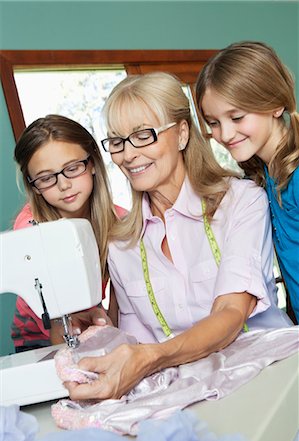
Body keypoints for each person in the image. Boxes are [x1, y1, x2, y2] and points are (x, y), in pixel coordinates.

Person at [65, 72, 292, 402]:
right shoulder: (120, 245)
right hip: (191, 392)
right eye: (117, 142)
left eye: (143, 135)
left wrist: (153, 357)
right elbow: (135, 340)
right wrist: (97, 340)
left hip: (273, 377)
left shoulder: (241, 201)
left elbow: (231, 312)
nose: (128, 155)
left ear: (182, 134)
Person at [195, 41, 299, 324]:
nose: (225, 134)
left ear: (276, 104)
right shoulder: (263, 176)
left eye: (237, 117)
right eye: (213, 122)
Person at [12, 114, 126, 352]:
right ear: (33, 185)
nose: (63, 185)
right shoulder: (30, 229)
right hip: (36, 338)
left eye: (72, 169)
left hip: (89, 325)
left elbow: (120, 302)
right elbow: (57, 321)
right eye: (46, 178)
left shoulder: (121, 223)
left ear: (92, 163)